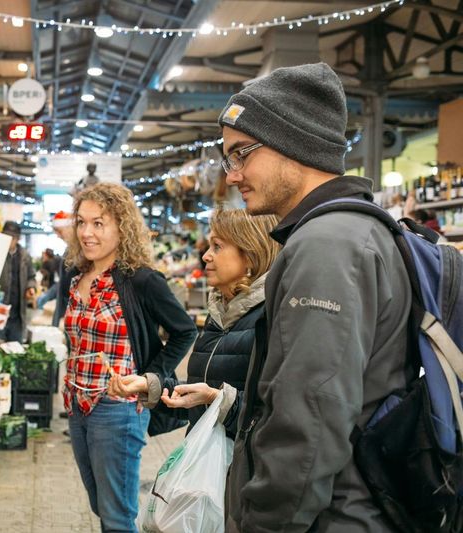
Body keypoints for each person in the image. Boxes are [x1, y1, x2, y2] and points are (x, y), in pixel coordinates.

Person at [216, 62, 411, 532]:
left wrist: (264, 524)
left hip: (332, 517)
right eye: (229, 158)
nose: (233, 175)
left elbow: (307, 426)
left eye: (242, 153)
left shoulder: (326, 246)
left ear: (293, 145)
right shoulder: (357, 232)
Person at [64, 183, 197, 533]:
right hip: (77, 404)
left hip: (118, 408)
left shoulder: (141, 281)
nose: (87, 232)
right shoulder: (76, 276)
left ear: (122, 226)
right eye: (82, 222)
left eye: (99, 223)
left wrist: (151, 377)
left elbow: (185, 331)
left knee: (117, 516)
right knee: (100, 502)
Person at [109, 208, 280, 440]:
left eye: (217, 247)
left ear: (250, 255)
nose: (206, 256)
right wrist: (151, 386)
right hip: (210, 462)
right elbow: (201, 391)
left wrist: (215, 399)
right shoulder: (219, 314)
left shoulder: (271, 319)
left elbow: (277, 415)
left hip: (242, 469)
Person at [0, 220, 36, 342]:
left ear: (17, 239)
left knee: (15, 347)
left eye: (11, 237)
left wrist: (30, 287)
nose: (8, 240)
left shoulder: (24, 256)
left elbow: (31, 277)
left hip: (17, 312)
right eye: (5, 236)